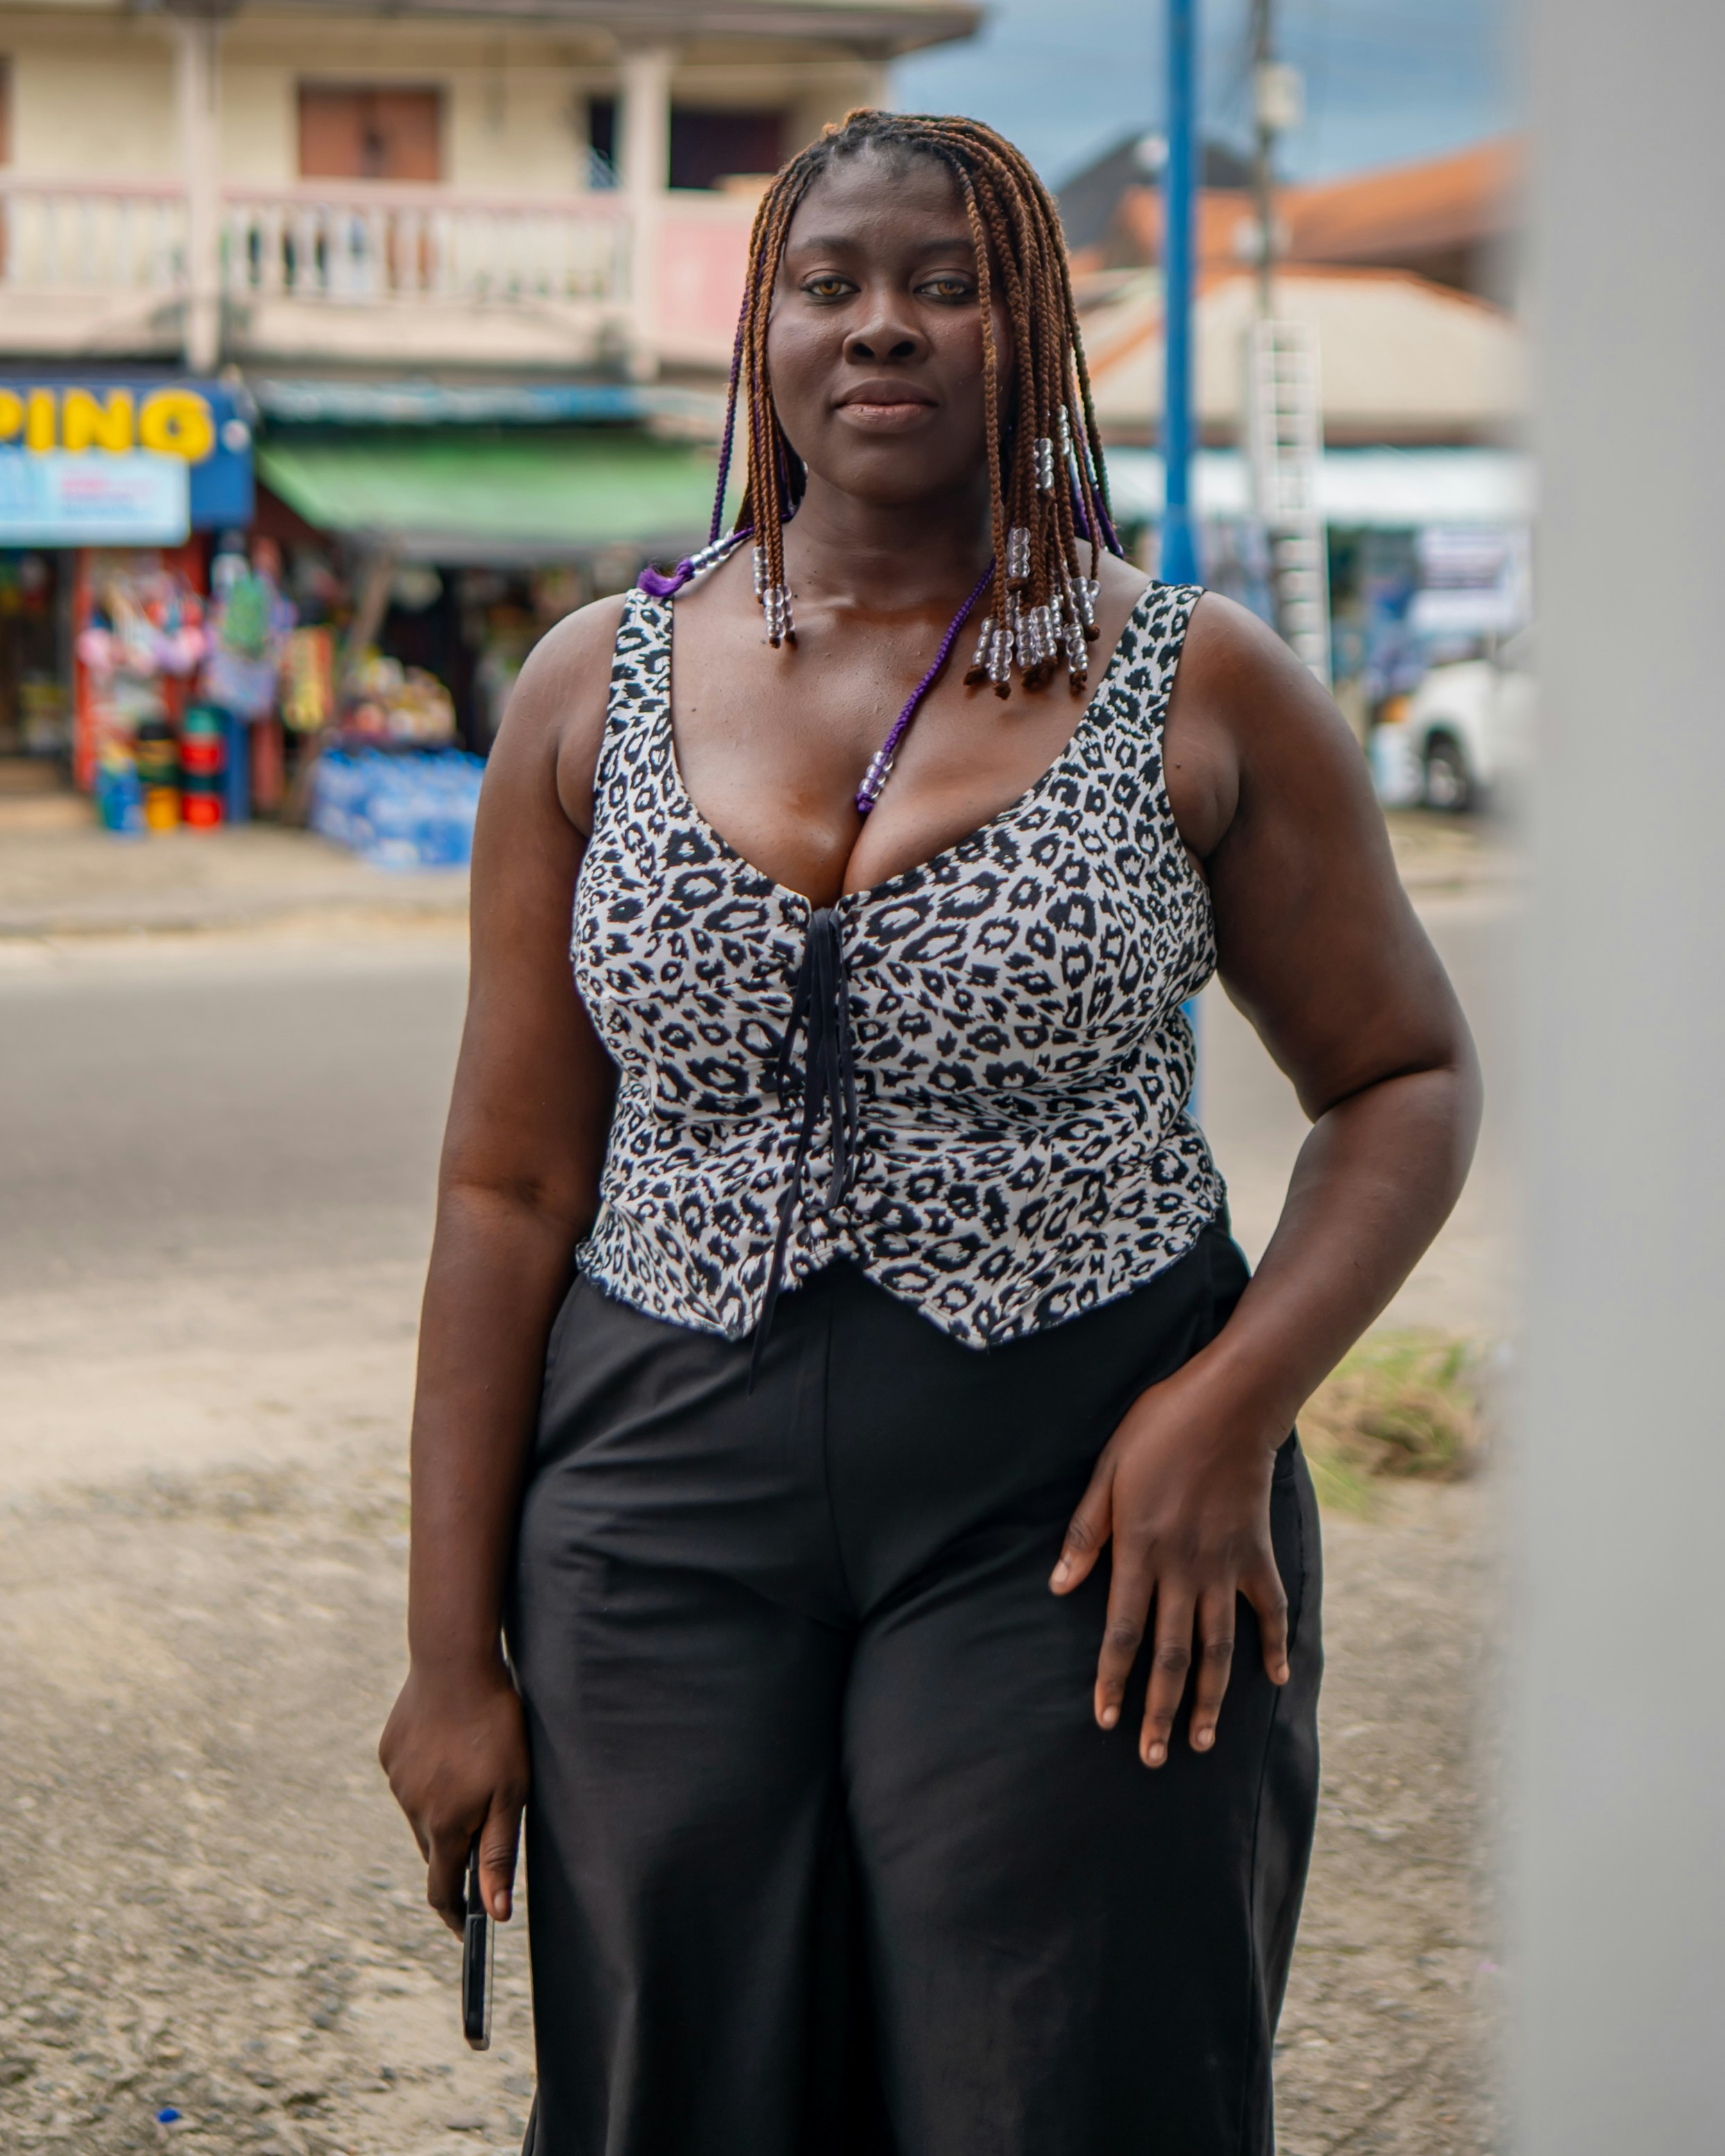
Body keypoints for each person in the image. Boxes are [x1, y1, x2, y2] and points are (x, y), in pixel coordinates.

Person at [380, 110, 1479, 2156]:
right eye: (831, 283)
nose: (882, 325)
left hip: (1077, 1491)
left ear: (1032, 328)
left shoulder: (1199, 684)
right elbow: (506, 1184)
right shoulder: (587, 690)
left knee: (1056, 2074)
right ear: (766, 332)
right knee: (680, 2081)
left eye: (946, 285)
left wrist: (1229, 1410)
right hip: (653, 1502)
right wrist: (450, 1654)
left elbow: (1402, 1078)